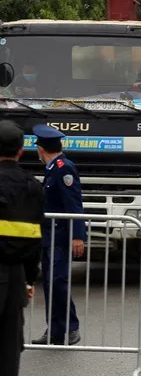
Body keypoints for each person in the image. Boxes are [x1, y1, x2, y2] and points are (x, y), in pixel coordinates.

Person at [30, 124, 86, 346]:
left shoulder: (63, 168)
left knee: (57, 281)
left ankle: (70, 328)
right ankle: (54, 330)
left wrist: (77, 235)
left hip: (61, 235)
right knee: (51, 284)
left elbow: (74, 204)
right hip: (50, 235)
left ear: (41, 149)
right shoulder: (53, 168)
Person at [0, 120, 44, 375]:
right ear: (20, 150)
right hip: (15, 276)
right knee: (8, 347)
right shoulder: (32, 186)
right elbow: (34, 239)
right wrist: (29, 280)